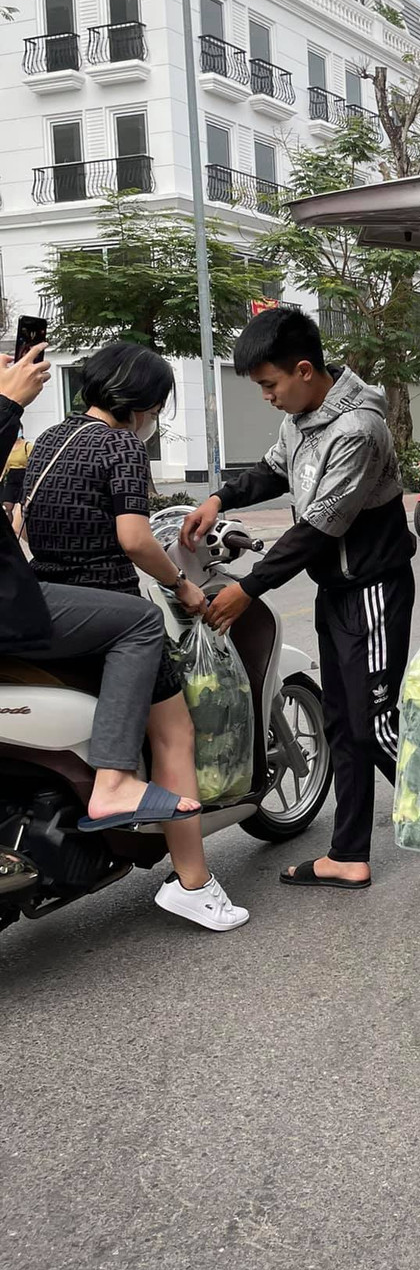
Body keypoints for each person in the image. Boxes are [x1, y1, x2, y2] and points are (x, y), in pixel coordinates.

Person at [182, 309, 420, 889]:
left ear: (305, 370)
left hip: (373, 591)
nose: (267, 397)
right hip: (336, 591)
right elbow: (273, 470)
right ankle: (348, 853)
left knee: (378, 723)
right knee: (342, 722)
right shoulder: (303, 416)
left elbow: (317, 527)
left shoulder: (358, 429)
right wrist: (219, 497)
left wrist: (248, 588)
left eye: (270, 385)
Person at [22, 342, 248, 932]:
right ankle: (194, 884)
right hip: (111, 612)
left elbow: (28, 520)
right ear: (145, 402)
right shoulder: (119, 444)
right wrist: (183, 586)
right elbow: (134, 538)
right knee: (175, 735)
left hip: (49, 608)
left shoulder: (50, 440)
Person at [2, 431, 30, 520]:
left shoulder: (27, 446)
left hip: (24, 476)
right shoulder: (7, 447)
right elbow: (5, 465)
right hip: (11, 477)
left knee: (24, 508)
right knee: (6, 507)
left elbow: (33, 463)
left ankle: (24, 532)